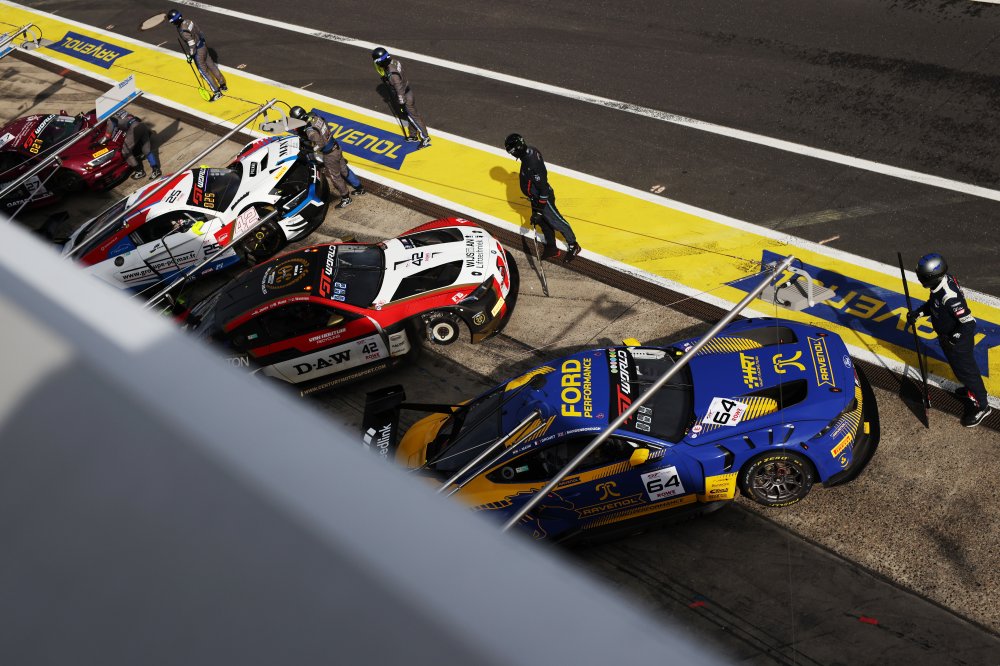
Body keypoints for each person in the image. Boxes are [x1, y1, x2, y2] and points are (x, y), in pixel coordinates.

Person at [907, 253, 992, 427]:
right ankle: (970, 390)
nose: (919, 279)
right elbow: (934, 304)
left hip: (958, 343)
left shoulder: (950, 297)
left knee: (968, 373)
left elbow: (969, 323)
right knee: (960, 372)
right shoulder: (939, 285)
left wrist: (954, 339)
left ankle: (983, 406)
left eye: (922, 276)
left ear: (932, 277)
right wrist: (919, 313)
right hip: (947, 339)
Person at [504, 133, 581, 262]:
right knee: (543, 223)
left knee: (557, 222)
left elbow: (543, 189)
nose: (512, 155)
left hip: (543, 198)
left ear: (516, 150)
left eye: (511, 152)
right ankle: (552, 248)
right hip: (535, 197)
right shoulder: (530, 151)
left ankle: (574, 245)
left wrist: (539, 210)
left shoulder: (532, 164)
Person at [290, 106, 365, 209]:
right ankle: (360, 188)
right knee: (344, 169)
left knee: (335, 177)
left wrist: (311, 149)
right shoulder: (315, 117)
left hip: (329, 155)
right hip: (336, 146)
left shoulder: (310, 131)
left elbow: (320, 144)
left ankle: (346, 198)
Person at [372, 47, 430, 148]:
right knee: (410, 117)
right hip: (407, 90)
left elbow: (399, 90)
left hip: (405, 96)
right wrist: (386, 78)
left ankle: (425, 138)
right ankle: (413, 135)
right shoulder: (394, 61)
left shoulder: (393, 75)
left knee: (414, 117)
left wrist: (402, 103)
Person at [168, 9, 227, 102]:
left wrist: (190, 56)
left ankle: (217, 92)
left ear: (174, 21)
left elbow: (192, 45)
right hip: (203, 45)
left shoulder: (183, 31)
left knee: (204, 73)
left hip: (198, 52)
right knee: (212, 66)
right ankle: (223, 85)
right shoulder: (189, 21)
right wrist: (203, 43)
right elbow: (200, 32)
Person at [101, 111, 161, 180]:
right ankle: (156, 170)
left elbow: (107, 137)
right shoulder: (121, 110)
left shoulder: (110, 119)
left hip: (134, 129)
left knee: (125, 151)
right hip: (142, 125)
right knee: (146, 149)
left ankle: (139, 171)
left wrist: (98, 143)